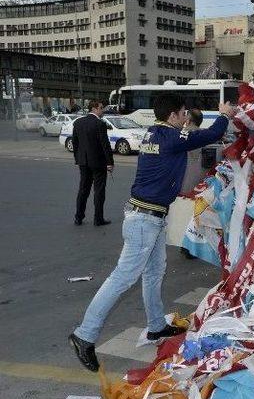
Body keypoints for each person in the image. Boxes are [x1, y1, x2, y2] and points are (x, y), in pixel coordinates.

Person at [69, 95, 232, 372]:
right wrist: (224, 114)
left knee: (154, 272)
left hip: (149, 216)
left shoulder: (154, 134)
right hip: (144, 219)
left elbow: (188, 136)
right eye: (182, 114)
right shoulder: (170, 139)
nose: (184, 118)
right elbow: (212, 134)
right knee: (123, 277)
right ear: (172, 116)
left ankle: (156, 327)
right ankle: (84, 335)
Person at [72, 100, 113, 226]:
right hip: (98, 163)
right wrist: (110, 162)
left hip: (83, 162)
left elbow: (75, 143)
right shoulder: (99, 124)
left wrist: (77, 159)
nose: (103, 111)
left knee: (83, 190)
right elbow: (105, 145)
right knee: (99, 191)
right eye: (101, 108)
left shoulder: (78, 122)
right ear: (94, 109)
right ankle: (98, 219)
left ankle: (78, 217)